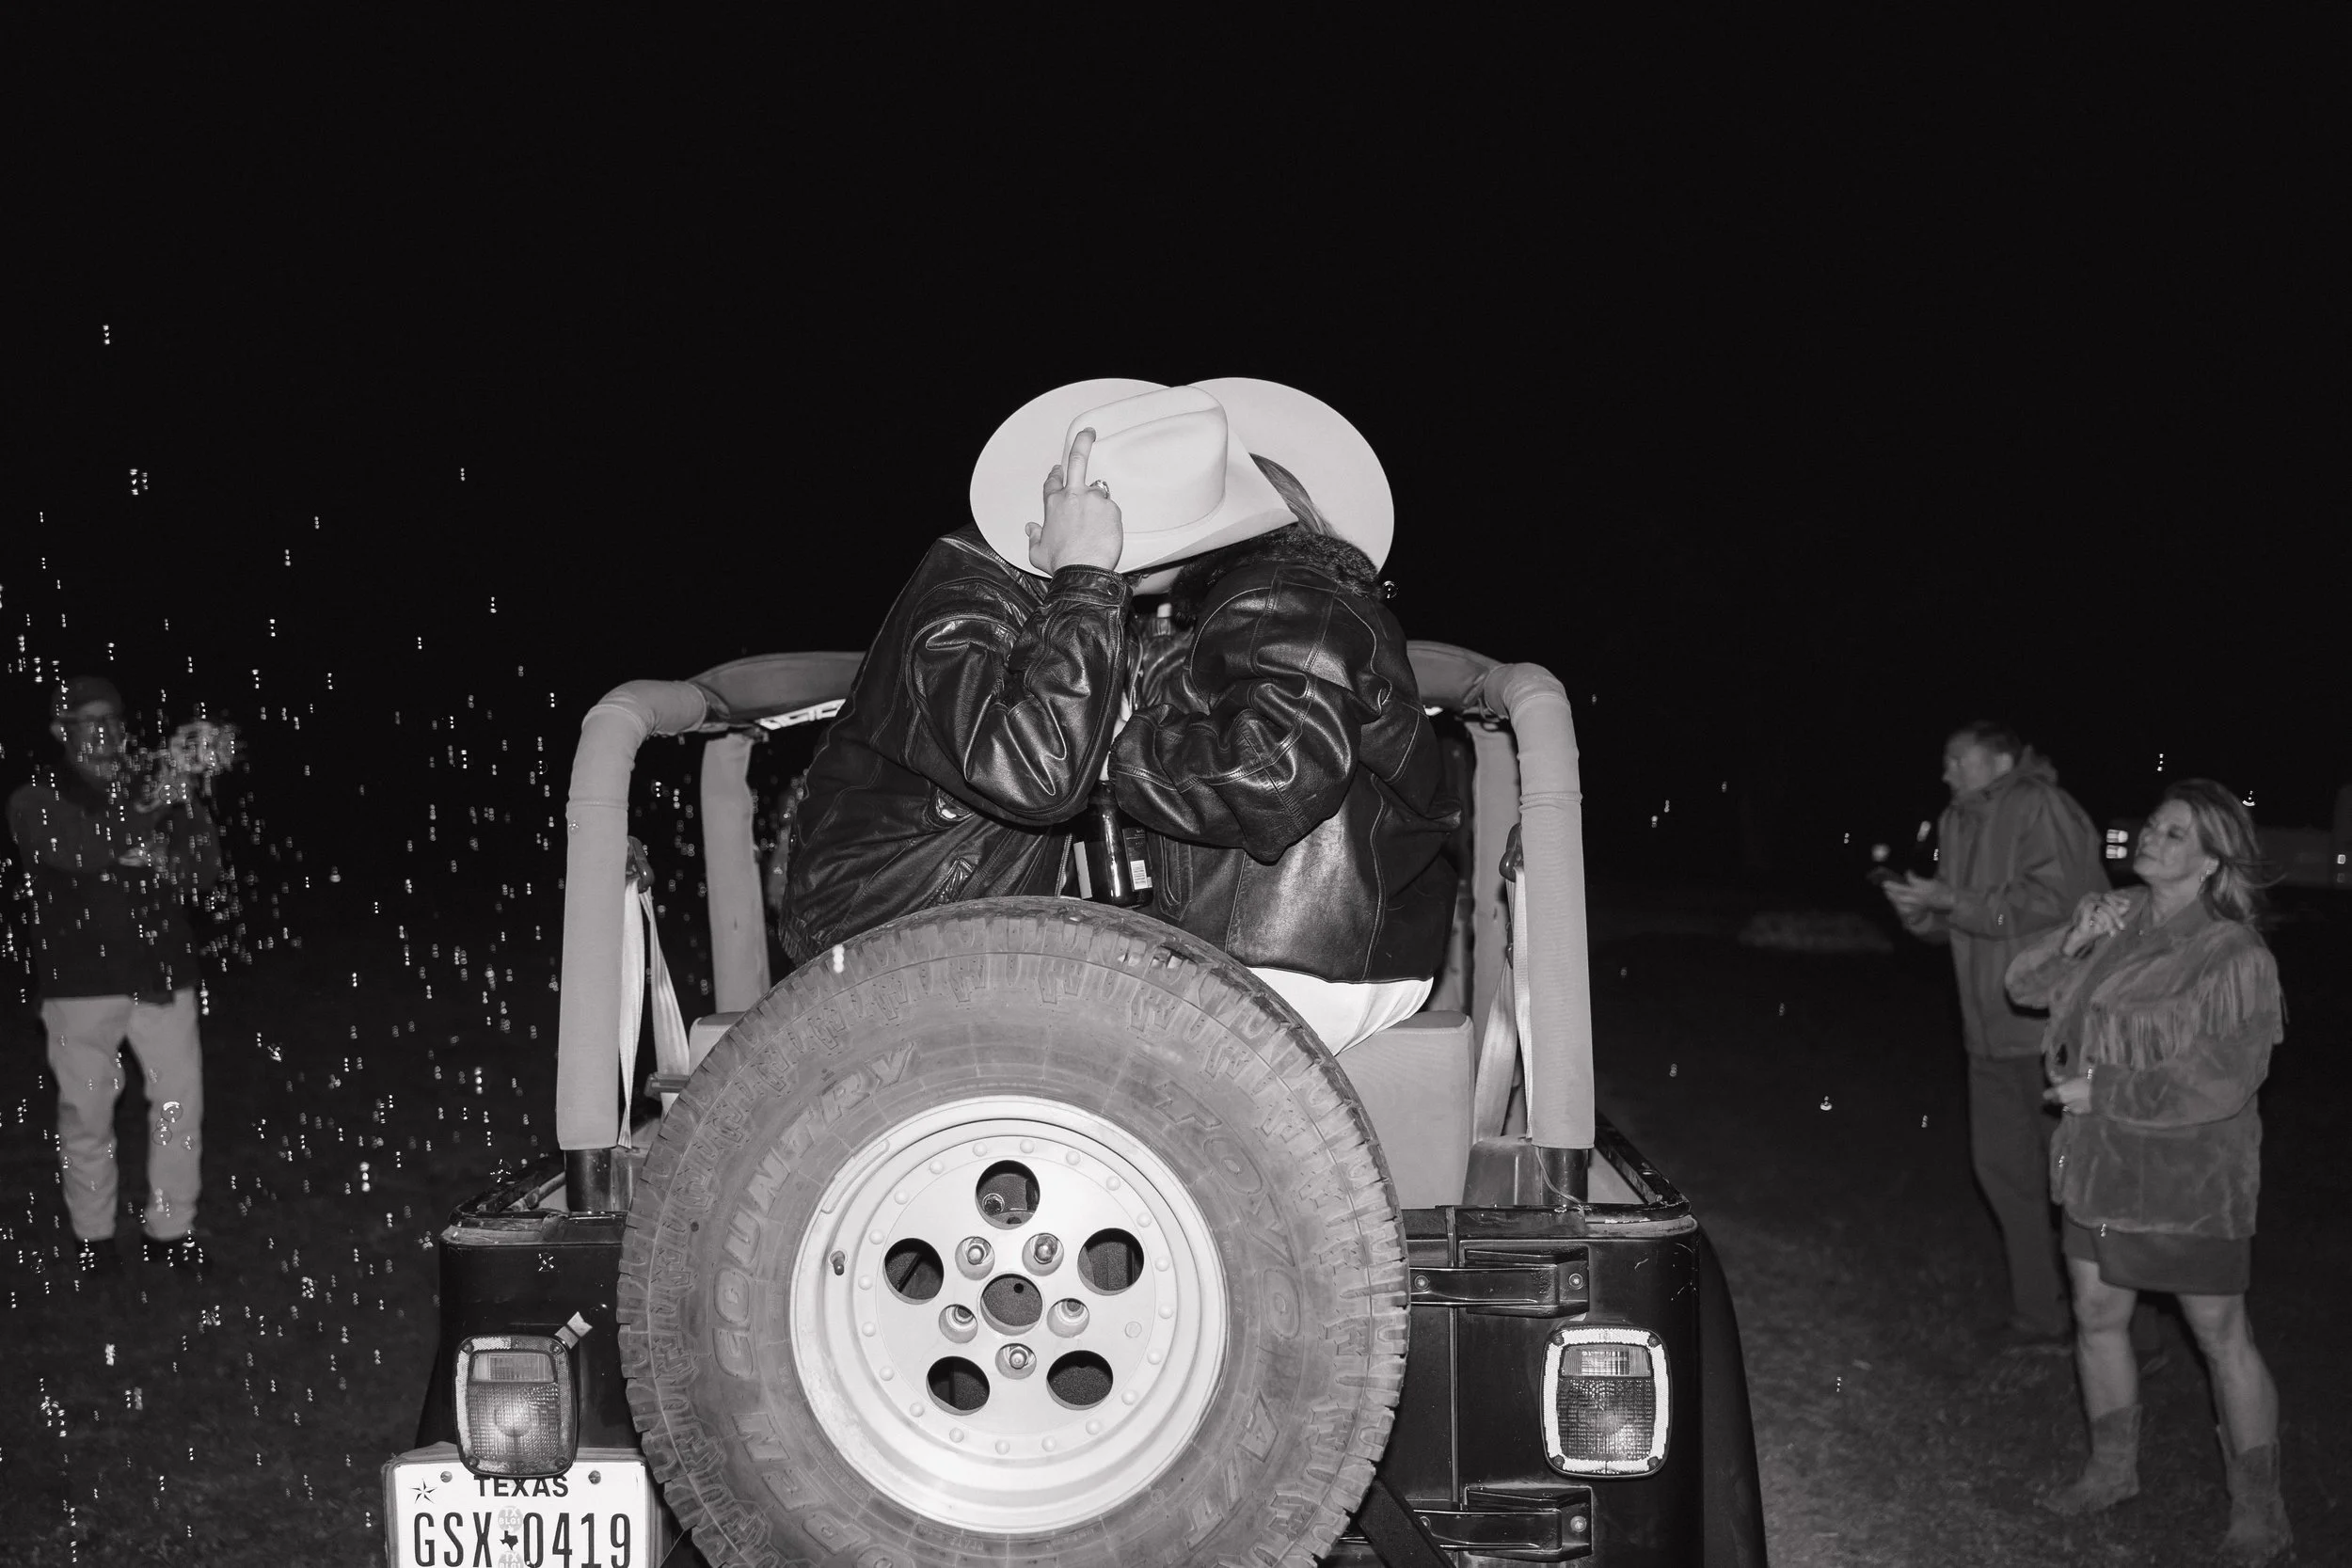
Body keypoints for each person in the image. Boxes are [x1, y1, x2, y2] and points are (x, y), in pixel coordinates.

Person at [1101, 380, 1459, 1051]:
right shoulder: (1281, 595)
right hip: (1319, 946)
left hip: (1292, 953)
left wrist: (1118, 750)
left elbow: (1272, 772)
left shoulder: (1273, 593)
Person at [2008, 781, 2290, 1560]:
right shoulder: (2115, 917)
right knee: (2096, 1316)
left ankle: (2259, 1511)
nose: (2150, 837)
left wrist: (2105, 1089)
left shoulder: (2233, 952)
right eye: (2152, 825)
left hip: (2188, 1180)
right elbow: (2022, 988)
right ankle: (2110, 1473)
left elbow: (2225, 1079)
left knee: (2219, 1334)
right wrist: (2071, 940)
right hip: (2097, 1166)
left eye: (2174, 833)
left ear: (2210, 860)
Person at [1883, 722, 2107, 1344]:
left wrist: (1952, 898)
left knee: (2081, 1182)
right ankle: (2040, 1315)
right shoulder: (1957, 820)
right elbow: (1972, 918)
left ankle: (2130, 1333)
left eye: (1957, 758)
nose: (1946, 772)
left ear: (2002, 757)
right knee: (2004, 1175)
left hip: (2053, 1029)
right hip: (1985, 1033)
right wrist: (1926, 915)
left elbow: (2060, 899)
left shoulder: (2042, 805)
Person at [8, 676, 221, 1279]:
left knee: (180, 1107)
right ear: (61, 730)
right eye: (87, 721)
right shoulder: (35, 796)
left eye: (113, 720)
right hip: (79, 985)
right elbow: (84, 851)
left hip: (162, 975)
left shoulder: (149, 787)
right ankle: (94, 1239)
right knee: (87, 1115)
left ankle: (171, 1230)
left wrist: (189, 802)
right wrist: (155, 806)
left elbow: (202, 873)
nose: (105, 733)